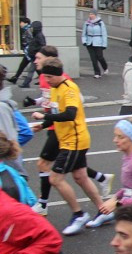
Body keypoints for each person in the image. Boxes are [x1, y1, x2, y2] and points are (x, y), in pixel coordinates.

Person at [30, 58, 106, 235]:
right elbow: (57, 113)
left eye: (49, 77)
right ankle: (103, 209)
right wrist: (43, 124)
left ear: (58, 75)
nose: (46, 80)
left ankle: (79, 214)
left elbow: (70, 114)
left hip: (74, 140)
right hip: (67, 139)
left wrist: (43, 118)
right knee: (80, 176)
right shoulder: (55, 89)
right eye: (44, 76)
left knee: (55, 179)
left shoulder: (69, 89)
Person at [87, 118, 132, 231]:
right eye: (115, 136)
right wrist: (115, 198)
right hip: (131, 213)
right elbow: (129, 188)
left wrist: (117, 204)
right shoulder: (128, 157)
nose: (115, 140)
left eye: (120, 137)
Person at [81, 11, 109, 78]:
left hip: (98, 42)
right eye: (90, 14)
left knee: (100, 57)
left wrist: (104, 44)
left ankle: (105, 67)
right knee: (93, 59)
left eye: (92, 14)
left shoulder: (100, 23)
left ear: (95, 15)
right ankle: (97, 73)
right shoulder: (87, 23)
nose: (90, 15)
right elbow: (84, 33)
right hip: (89, 42)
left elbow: (104, 34)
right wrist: (84, 41)